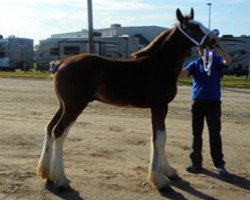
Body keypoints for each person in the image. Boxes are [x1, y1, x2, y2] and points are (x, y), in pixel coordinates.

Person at [181, 30, 232, 176]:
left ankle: (220, 165)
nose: (198, 50)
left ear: (208, 48)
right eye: (198, 48)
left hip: (213, 103)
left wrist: (218, 47)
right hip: (197, 103)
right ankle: (196, 163)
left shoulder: (215, 60)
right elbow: (183, 74)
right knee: (196, 134)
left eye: (201, 47)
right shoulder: (195, 64)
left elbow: (228, 61)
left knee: (214, 134)